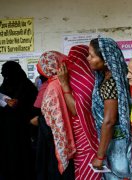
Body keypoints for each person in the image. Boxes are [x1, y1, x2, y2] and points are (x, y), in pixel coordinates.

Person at [88, 38, 132, 179]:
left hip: (116, 144)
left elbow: (109, 121)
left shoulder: (111, 83)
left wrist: (100, 156)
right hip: (115, 141)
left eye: (92, 55)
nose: (88, 58)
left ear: (106, 60)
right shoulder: (111, 78)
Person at [57, 45, 101, 180]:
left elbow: (76, 110)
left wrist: (64, 85)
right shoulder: (80, 77)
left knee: (88, 168)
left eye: (73, 58)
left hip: (86, 133)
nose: (69, 61)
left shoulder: (86, 80)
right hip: (79, 134)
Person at [37, 51, 76, 179]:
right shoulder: (65, 82)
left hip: (57, 144)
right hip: (74, 140)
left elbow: (52, 122)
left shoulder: (53, 87)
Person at [0, 61, 38, 180]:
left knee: (22, 158)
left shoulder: (28, 88)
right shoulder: (4, 87)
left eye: (6, 74)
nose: (4, 75)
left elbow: (35, 109)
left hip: (24, 131)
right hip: (6, 132)